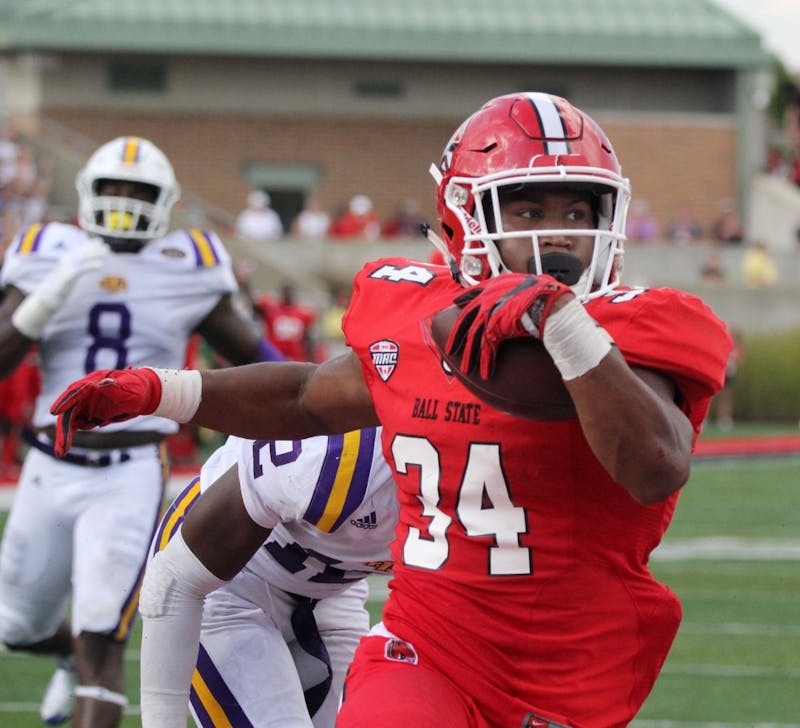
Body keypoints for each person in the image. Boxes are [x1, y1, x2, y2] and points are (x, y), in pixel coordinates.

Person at [51, 93, 733, 727]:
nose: (557, 236)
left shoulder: (641, 325)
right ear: (461, 217)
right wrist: (160, 390)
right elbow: (302, 397)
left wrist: (563, 325)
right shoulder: (408, 328)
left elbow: (655, 466)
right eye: (527, 212)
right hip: (428, 648)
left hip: (578, 664)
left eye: (578, 212)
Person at [0, 135, 282, 728]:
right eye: (112, 189)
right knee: (16, 628)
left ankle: (88, 661)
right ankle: (69, 658)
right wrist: (50, 293)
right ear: (87, 194)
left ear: (166, 200)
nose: (125, 201)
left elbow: (263, 362)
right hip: (47, 465)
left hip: (129, 470)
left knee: (104, 633)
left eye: (140, 191)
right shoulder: (47, 248)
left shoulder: (191, 260)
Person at [139, 428, 396, 727]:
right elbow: (174, 580)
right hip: (227, 579)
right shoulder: (332, 459)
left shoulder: (458, 492)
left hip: (334, 591)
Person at [253, 281, 319, 362]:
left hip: (296, 358)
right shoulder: (270, 308)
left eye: (289, 291)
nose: (287, 293)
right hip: (275, 357)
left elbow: (307, 339)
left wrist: (311, 358)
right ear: (280, 292)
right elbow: (254, 305)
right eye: (285, 291)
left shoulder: (303, 313)